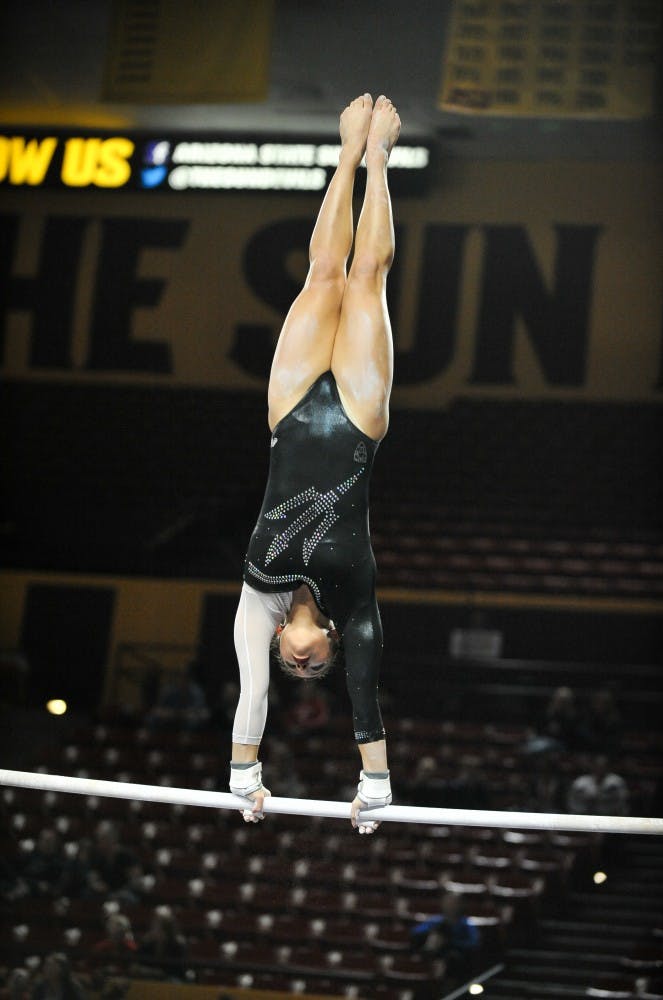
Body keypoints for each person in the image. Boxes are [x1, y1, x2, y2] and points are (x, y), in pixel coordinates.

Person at [229, 94, 400, 835]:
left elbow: (251, 698)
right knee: (368, 277)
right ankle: (379, 157)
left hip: (290, 411)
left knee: (323, 273)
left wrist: (243, 774)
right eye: (314, 666)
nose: (301, 665)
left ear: (280, 644)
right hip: (359, 423)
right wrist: (377, 785)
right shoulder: (355, 606)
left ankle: (343, 153)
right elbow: (366, 696)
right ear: (328, 642)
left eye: (290, 666)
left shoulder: (257, 601)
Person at [410, 891, 480, 979]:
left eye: (453, 903)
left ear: (461, 905)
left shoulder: (467, 924)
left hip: (455, 961)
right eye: (447, 902)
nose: (450, 906)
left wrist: (448, 942)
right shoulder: (435, 921)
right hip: (434, 955)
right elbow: (416, 933)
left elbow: (473, 944)